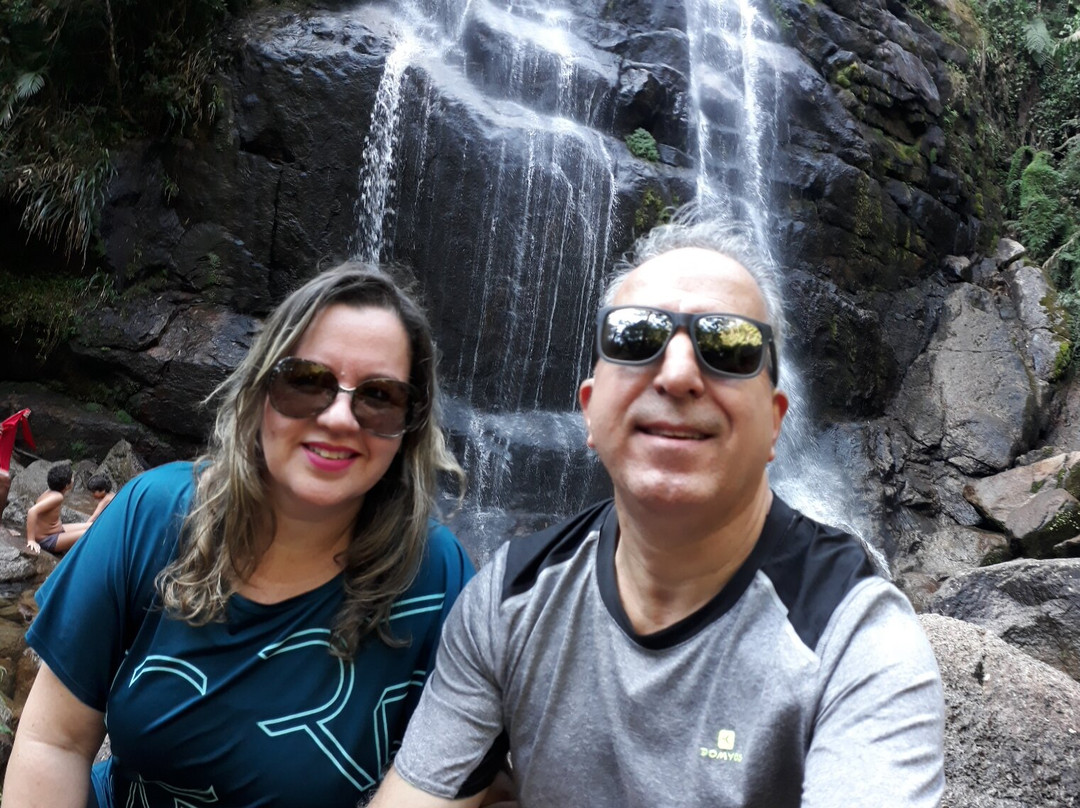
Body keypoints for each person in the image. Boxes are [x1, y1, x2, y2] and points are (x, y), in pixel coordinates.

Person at [368, 207, 946, 807]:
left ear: (776, 423)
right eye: (636, 337)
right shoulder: (509, 599)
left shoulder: (853, 635)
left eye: (728, 345)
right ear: (589, 410)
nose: (677, 374)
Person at [3, 263, 483, 808]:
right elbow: (54, 742)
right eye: (306, 381)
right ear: (259, 393)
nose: (340, 418)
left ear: (409, 426)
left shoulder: (437, 580)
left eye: (379, 396)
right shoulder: (153, 514)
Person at [25, 462, 92, 555]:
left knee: (92, 525)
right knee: (91, 533)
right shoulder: (57, 497)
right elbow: (32, 511)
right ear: (66, 485)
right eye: (72, 478)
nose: (73, 480)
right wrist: (31, 540)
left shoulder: (50, 491)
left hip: (56, 531)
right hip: (48, 539)